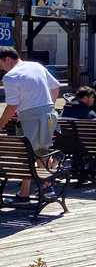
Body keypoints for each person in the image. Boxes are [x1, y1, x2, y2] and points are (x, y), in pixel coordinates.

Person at [0, 47, 60, 202]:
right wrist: (50, 106)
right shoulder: (36, 66)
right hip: (49, 116)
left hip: (29, 118)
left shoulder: (10, 77)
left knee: (25, 155)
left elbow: (12, 105)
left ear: (7, 59)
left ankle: (26, 194)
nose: (0, 68)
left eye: (0, 63)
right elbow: (55, 86)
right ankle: (46, 188)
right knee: (42, 151)